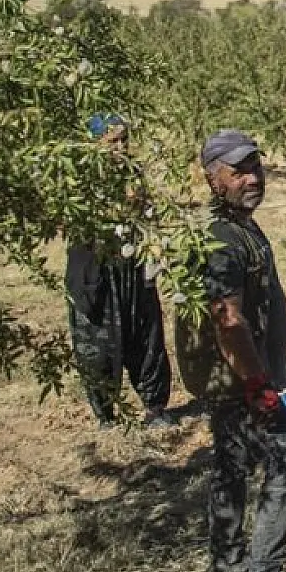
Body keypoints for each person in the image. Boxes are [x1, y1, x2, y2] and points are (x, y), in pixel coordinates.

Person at [175, 129, 286, 572]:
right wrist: (258, 386)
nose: (252, 178)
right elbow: (227, 320)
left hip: (239, 377)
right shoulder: (219, 240)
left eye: (255, 167)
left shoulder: (238, 227)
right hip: (238, 379)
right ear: (213, 179)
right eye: (238, 172)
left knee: (233, 463)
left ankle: (226, 567)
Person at [65, 114, 175, 427]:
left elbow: (149, 219)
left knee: (146, 336)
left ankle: (155, 408)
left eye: (124, 139)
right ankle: (106, 416)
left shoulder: (135, 175)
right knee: (97, 346)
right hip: (94, 274)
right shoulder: (79, 179)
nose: (121, 147)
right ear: (94, 143)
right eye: (113, 141)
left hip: (134, 268)